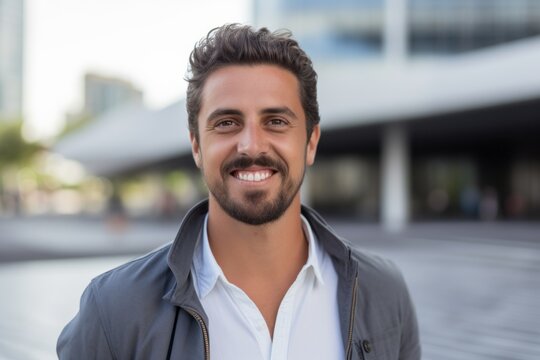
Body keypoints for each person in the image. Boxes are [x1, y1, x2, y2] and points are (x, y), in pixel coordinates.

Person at [57, 24, 421, 360]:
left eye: (276, 122)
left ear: (311, 142)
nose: (250, 145)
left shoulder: (383, 291)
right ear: (197, 146)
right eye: (227, 123)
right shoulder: (114, 308)